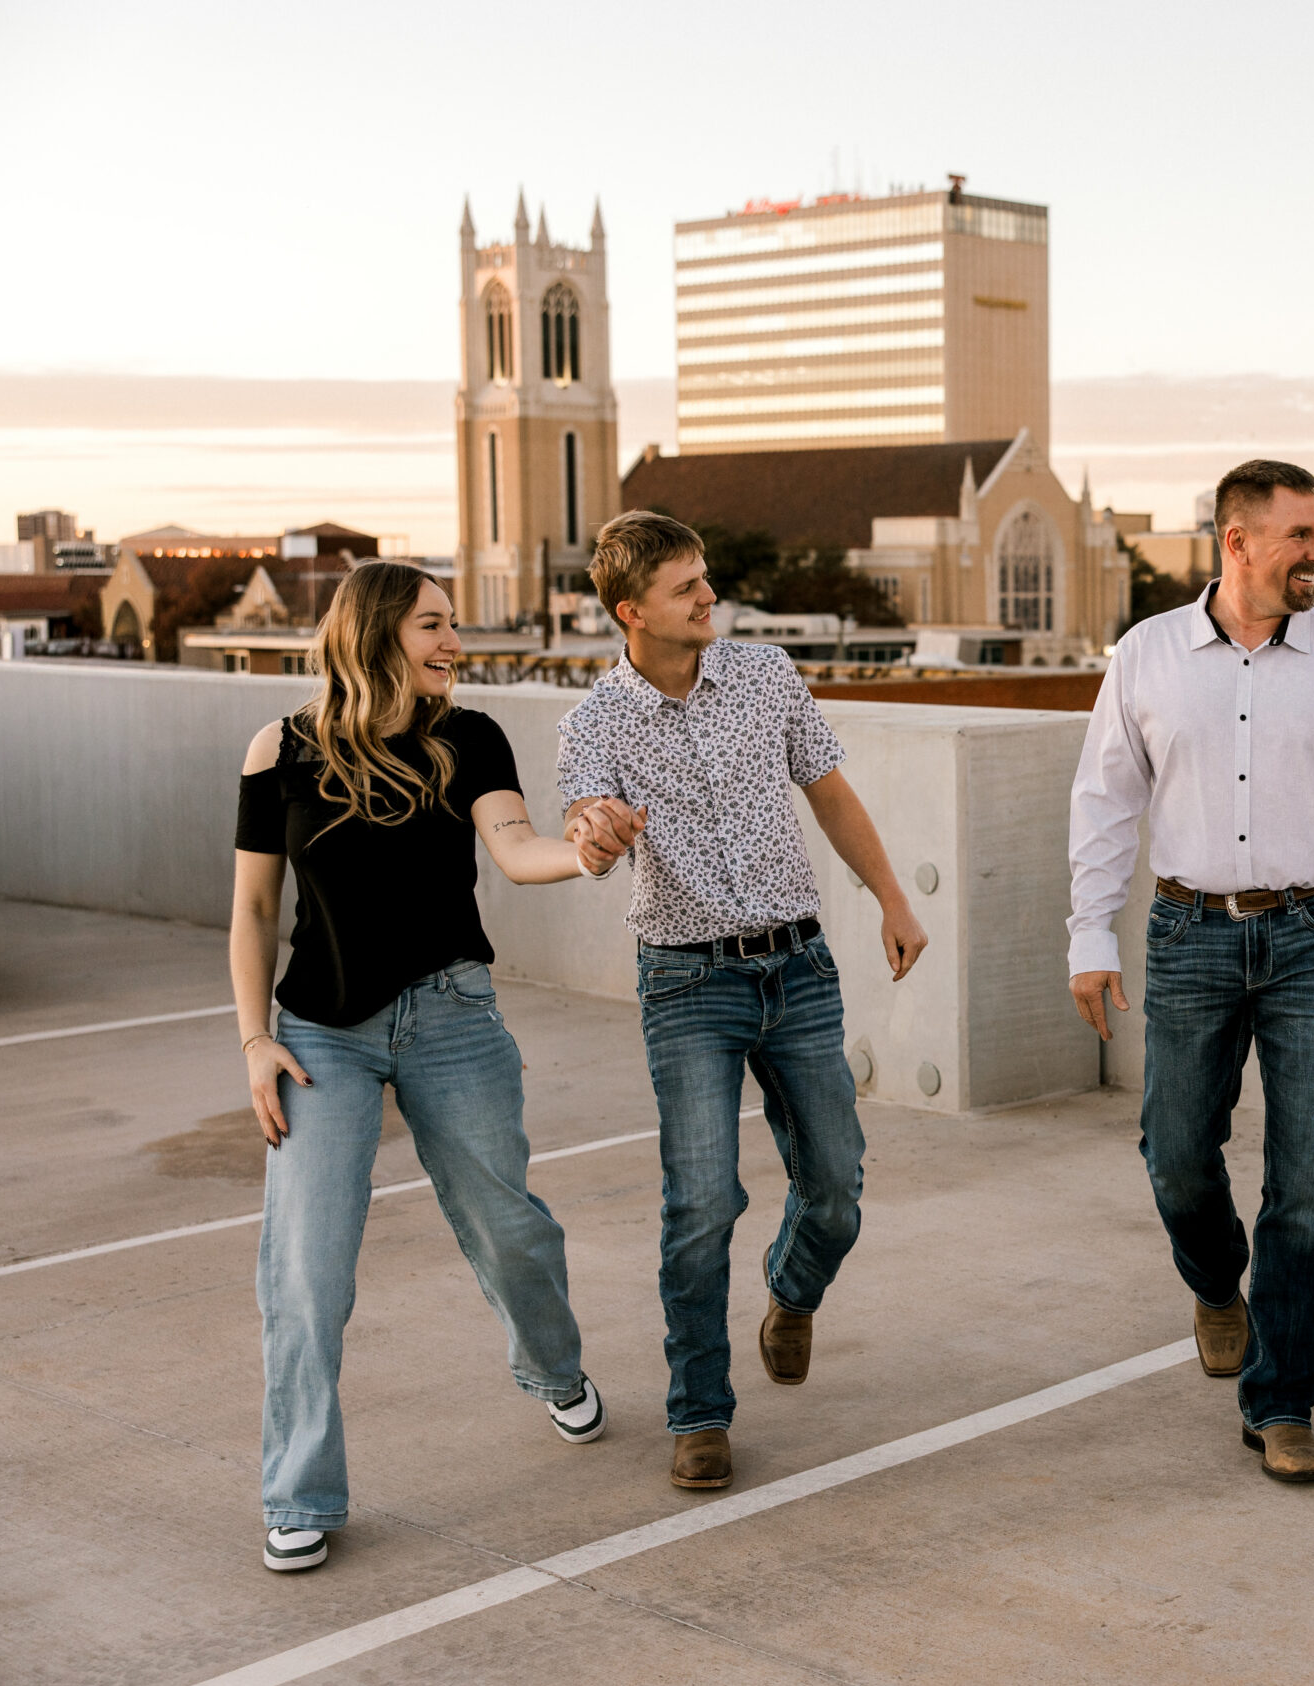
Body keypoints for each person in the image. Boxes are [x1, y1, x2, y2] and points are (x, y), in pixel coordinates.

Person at [1066, 459, 1314, 1484]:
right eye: (1302, 537)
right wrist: (1089, 936)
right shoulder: (1147, 655)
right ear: (1235, 543)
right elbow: (1105, 804)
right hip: (1188, 934)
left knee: (1309, 1189)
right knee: (1175, 1154)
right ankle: (1214, 1281)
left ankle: (1282, 1401)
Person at [232, 560, 621, 1574]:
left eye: (455, 626)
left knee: (509, 1230)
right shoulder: (279, 749)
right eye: (434, 626)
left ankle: (554, 1369)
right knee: (305, 1271)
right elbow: (254, 909)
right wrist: (253, 1039)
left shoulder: (469, 736)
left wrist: (583, 851)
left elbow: (517, 847)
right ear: (372, 635)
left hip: (451, 1015)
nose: (456, 643)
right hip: (319, 1035)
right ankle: (299, 1492)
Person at [560, 510, 927, 1493]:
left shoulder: (766, 675)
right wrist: (597, 833)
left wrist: (892, 898)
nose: (708, 598)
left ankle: (792, 1290)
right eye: (687, 589)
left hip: (798, 969)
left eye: (706, 581)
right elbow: (582, 822)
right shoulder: (595, 720)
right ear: (632, 610)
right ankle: (700, 1413)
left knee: (838, 1187)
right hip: (686, 983)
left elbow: (831, 793)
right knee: (700, 1203)